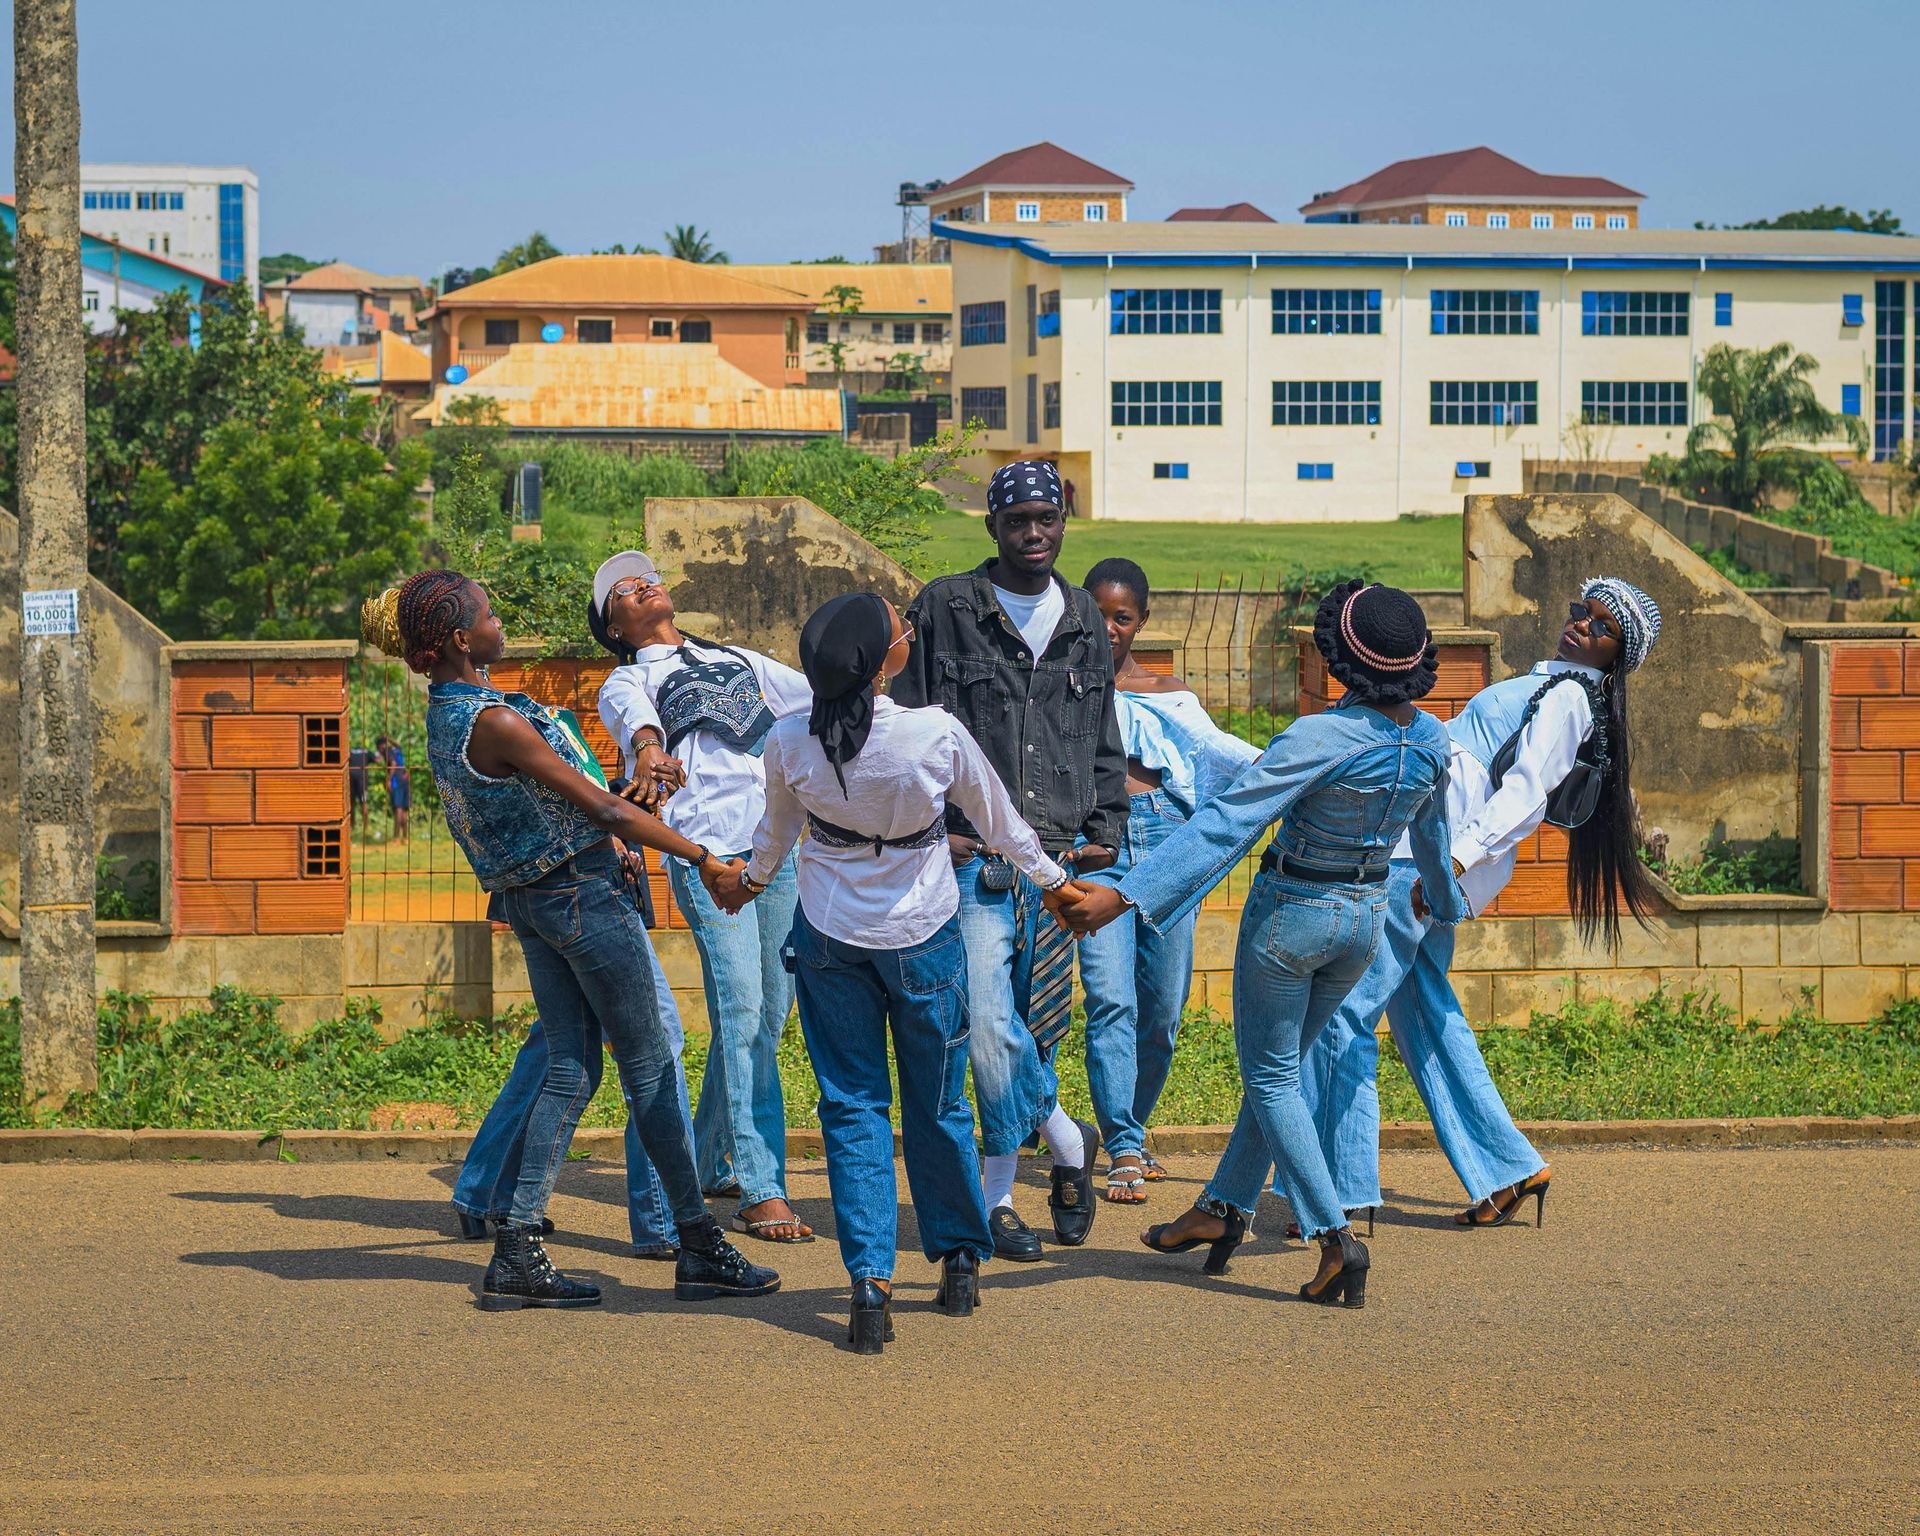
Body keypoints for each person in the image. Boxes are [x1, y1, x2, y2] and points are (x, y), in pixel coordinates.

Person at [374, 569, 779, 1311]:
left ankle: (519, 1245)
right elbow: (604, 812)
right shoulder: (492, 720)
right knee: (651, 1066)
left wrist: (624, 801)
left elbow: (571, 807)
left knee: (571, 1068)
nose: (500, 622)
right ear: (464, 639)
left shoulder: (451, 711)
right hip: (582, 900)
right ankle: (696, 1242)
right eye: (490, 614)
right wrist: (703, 859)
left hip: (536, 901)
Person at [1060, 581, 1466, 1309]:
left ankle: (1335, 1236)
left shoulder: (1321, 737)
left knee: (1273, 1077)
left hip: (1292, 920)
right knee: (1277, 1072)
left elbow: (1228, 823)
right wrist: (1445, 901)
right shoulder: (1433, 738)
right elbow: (1434, 841)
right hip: (1364, 922)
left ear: (1341, 659)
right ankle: (1220, 1211)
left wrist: (1122, 896)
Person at [714, 592, 1086, 1353]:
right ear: (883, 660)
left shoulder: (788, 738)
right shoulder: (932, 732)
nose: (909, 632)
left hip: (827, 936)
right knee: (938, 1103)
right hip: (921, 936)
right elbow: (1000, 821)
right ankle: (957, 1258)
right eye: (899, 630)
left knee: (851, 1108)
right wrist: (1053, 883)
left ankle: (868, 1283)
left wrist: (749, 882)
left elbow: (775, 831)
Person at [1284, 577, 1663, 1230]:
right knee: (1426, 1018)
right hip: (1430, 857)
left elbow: (1525, 795)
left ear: (1617, 655)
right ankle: (1508, 1168)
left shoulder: (1572, 696)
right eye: (1579, 612)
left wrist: (1447, 867)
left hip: (1424, 861)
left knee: (1343, 1015)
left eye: (1600, 626)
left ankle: (1341, 1195)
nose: (1580, 625)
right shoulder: (1561, 683)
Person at [892, 460, 1128, 1262]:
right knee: (986, 1029)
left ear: (1064, 523)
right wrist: (929, 825)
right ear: (991, 527)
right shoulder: (947, 607)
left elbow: (1102, 731)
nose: (1035, 534)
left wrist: (1107, 828)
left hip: (1058, 855)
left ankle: (997, 1199)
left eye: (1048, 519)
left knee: (1033, 1027)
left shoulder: (1085, 617)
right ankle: (1065, 1141)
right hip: (971, 856)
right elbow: (907, 726)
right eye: (1019, 520)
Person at [590, 551, 815, 1245]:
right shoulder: (629, 678)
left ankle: (713, 1154)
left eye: (647, 576)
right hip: (710, 855)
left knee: (769, 1013)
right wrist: (650, 749)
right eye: (626, 588)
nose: (644, 584)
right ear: (615, 624)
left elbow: (814, 699)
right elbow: (637, 725)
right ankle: (760, 1182)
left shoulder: (741, 659)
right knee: (741, 1006)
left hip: (778, 846)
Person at [448, 702, 694, 1259]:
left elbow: (590, 793)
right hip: (580, 888)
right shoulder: (551, 709)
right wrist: (689, 853)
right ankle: (666, 1222)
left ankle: (488, 1194)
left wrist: (632, 795)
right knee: (655, 1045)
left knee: (557, 1054)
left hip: (566, 885)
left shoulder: (508, 713)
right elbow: (565, 802)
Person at [1077, 558, 1258, 1202]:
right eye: (1096, 614)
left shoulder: (1171, 694)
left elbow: (1220, 755)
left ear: (1142, 622)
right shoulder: (1063, 688)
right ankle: (1122, 1144)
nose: (1108, 629)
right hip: (1095, 845)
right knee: (1111, 1000)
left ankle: (1133, 1123)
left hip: (1169, 842)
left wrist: (1297, 771)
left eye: (1121, 618)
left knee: (1161, 1012)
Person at [377, 735, 411, 842]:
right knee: (404, 809)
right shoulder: (395, 749)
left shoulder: (387, 750)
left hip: (396, 779)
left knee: (398, 808)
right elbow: (399, 745)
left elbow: (393, 763)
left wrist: (389, 780)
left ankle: (396, 838)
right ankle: (405, 838)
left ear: (380, 746)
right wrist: (389, 739)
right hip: (405, 778)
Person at [347, 743, 371, 833]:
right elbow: (378, 759)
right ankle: (366, 828)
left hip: (351, 780)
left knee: (351, 804)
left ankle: (351, 827)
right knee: (364, 803)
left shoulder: (350, 752)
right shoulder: (366, 752)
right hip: (362, 781)